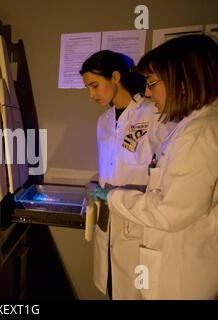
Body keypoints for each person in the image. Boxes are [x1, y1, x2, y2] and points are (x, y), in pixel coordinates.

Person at [95, 34, 218, 299]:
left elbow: (170, 211)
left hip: (182, 275)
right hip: (168, 258)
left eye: (152, 83)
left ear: (183, 82)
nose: (148, 91)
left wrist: (114, 197)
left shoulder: (199, 133)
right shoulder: (192, 128)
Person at [80, 50, 175, 299]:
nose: (91, 95)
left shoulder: (152, 114)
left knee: (135, 290)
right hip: (108, 219)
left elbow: (164, 169)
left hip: (138, 221)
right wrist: (94, 186)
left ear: (115, 76)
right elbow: (110, 167)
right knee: (110, 286)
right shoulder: (103, 121)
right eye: (87, 88)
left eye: (94, 85)